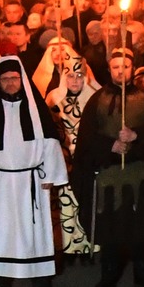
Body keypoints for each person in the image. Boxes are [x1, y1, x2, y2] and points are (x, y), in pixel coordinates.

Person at [73, 47, 144, 287]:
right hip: (108, 177)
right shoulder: (97, 100)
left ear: (133, 69)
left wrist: (136, 137)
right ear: (109, 70)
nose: (121, 71)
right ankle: (108, 274)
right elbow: (86, 139)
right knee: (110, 230)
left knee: (141, 230)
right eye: (116, 67)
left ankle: (143, 275)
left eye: (125, 67)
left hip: (141, 176)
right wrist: (111, 146)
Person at [0, 55, 66, 287]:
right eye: (5, 79)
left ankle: (40, 277)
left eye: (14, 78)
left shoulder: (36, 110)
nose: (10, 83)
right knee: (0, 231)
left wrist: (50, 175)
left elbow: (50, 143)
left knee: (36, 230)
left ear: (22, 80)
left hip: (31, 181)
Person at [44, 52, 100, 261]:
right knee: (66, 203)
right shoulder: (54, 100)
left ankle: (88, 246)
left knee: (86, 201)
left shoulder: (95, 99)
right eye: (70, 76)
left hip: (87, 158)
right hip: (64, 160)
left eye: (79, 76)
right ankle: (69, 247)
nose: (75, 81)